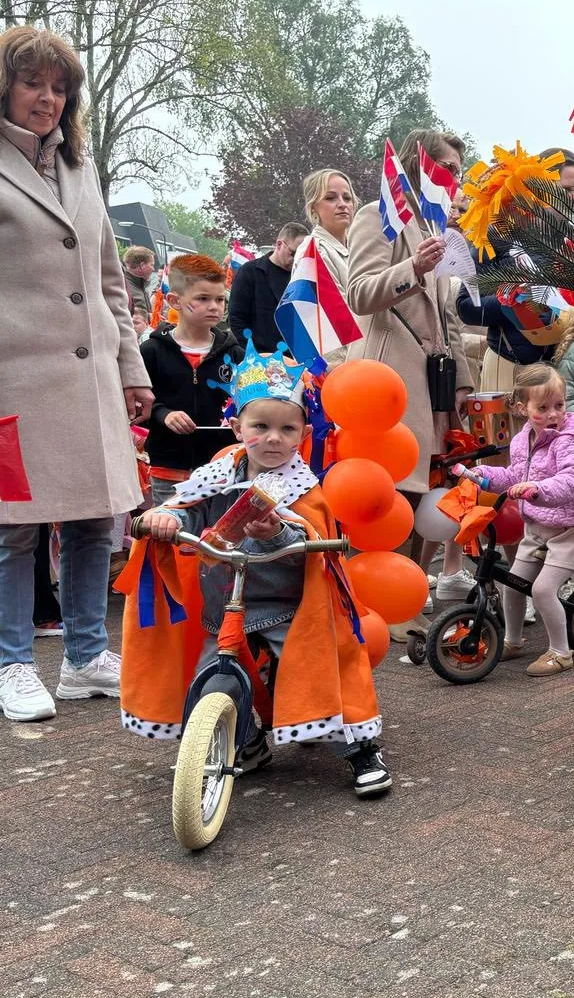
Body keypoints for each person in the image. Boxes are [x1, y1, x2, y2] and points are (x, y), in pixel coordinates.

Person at [124, 337, 388, 795]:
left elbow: (313, 537)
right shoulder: (219, 472)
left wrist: (279, 534)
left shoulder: (303, 485)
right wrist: (168, 517)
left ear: (303, 433)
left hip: (284, 603)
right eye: (260, 426)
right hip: (222, 603)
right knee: (205, 674)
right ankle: (243, 741)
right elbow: (192, 507)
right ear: (235, 426)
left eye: (287, 430)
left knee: (319, 669)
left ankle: (358, 747)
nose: (273, 438)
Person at [0, 25, 153, 724]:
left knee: (99, 521)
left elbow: (108, 279)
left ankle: (87, 656)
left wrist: (132, 366)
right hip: (14, 382)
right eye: (34, 82)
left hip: (92, 383)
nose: (48, 98)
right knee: (14, 530)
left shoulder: (81, 164)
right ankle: (12, 662)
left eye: (60, 87)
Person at [344, 127, 478, 638]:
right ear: (419, 167)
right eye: (448, 169)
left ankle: (410, 590)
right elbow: (359, 293)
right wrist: (411, 267)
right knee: (390, 489)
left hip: (435, 381)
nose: (456, 180)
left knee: (429, 489)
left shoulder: (443, 226)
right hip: (388, 379)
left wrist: (462, 383)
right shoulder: (375, 218)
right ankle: (377, 596)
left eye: (458, 173)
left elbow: (450, 318)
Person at [466, 364, 574, 675]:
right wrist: (485, 475)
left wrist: (538, 489)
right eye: (543, 407)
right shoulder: (522, 439)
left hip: (568, 529)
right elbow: (514, 476)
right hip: (536, 529)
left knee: (543, 590)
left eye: (559, 405)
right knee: (513, 584)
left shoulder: (569, 438)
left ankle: (561, 652)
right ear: (522, 408)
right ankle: (512, 640)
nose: (553, 414)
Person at [140, 254, 244, 506]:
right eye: (202, 298)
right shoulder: (151, 351)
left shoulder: (234, 353)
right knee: (171, 535)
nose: (215, 307)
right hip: (169, 465)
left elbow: (250, 401)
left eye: (220, 299)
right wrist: (164, 414)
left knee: (217, 536)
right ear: (175, 300)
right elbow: (137, 404)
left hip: (223, 466)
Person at [299, 168, 358, 363]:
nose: (342, 204)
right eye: (331, 198)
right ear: (313, 207)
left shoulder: (359, 247)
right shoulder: (313, 250)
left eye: (347, 198)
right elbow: (331, 323)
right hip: (343, 365)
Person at [227, 222, 307, 349]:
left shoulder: (302, 277)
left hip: (295, 358)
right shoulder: (250, 271)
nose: (297, 258)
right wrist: (251, 354)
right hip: (259, 357)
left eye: (302, 255)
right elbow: (236, 318)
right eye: (293, 253)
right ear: (279, 244)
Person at [122, 245, 155, 321]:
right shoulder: (123, 285)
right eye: (151, 265)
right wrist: (149, 317)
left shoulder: (139, 284)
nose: (153, 269)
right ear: (142, 265)